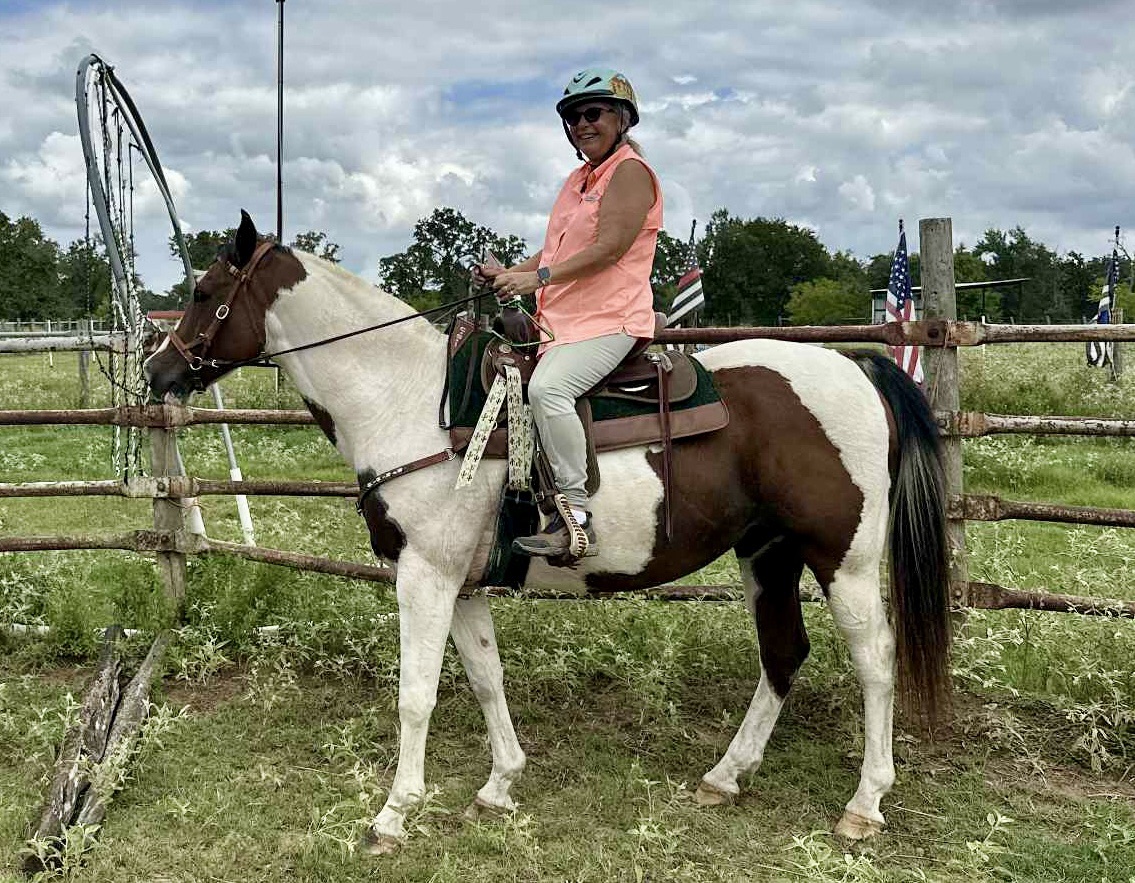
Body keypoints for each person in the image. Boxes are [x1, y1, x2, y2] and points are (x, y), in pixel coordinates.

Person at [476, 68, 663, 558]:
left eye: (593, 112)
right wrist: (507, 273)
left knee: (549, 388)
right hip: (561, 323)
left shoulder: (631, 173)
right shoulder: (577, 181)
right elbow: (552, 253)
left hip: (612, 319)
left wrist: (535, 281)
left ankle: (576, 518)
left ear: (622, 119)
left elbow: (609, 248)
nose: (583, 123)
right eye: (573, 116)